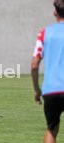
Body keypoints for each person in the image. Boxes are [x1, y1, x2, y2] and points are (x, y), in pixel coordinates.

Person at [31, 0, 64, 142]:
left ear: (54, 12)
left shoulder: (44, 33)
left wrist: (37, 90)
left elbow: (34, 65)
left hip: (50, 90)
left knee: (52, 128)